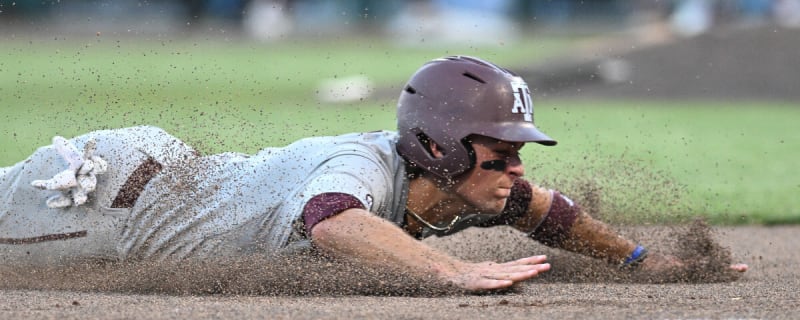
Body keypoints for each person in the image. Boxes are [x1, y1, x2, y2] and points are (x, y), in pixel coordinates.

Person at [0, 56, 746, 292]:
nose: (515, 168)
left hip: (158, 181)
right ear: (441, 148)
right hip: (109, 200)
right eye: (501, 150)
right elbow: (333, 223)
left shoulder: (457, 181)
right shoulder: (357, 168)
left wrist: (643, 262)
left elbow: (543, 208)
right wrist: (450, 275)